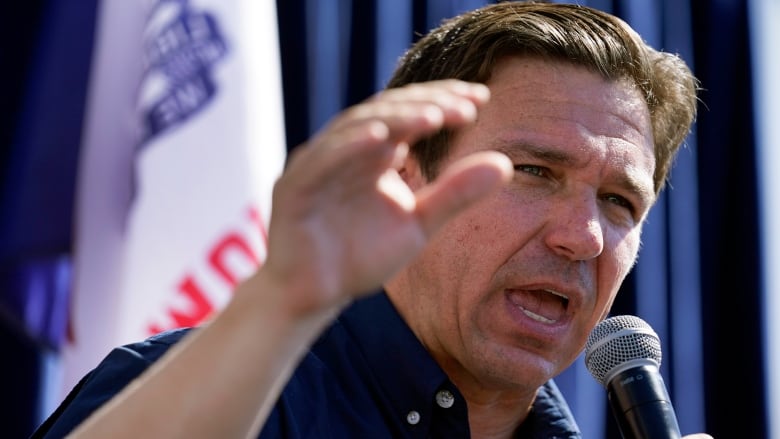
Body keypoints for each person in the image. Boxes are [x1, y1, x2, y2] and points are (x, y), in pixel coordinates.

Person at [32, 2, 712, 438]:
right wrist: (279, 300)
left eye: (620, 202)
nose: (584, 234)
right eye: (534, 172)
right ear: (405, 174)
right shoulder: (224, 403)